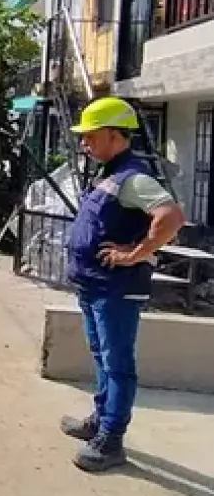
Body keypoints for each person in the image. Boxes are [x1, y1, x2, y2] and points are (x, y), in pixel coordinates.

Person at [63, 96, 184, 473]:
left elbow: (171, 216)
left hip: (116, 288)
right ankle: (100, 421)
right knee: (102, 358)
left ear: (115, 135)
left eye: (91, 136)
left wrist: (135, 253)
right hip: (96, 286)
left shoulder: (133, 177)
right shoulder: (111, 174)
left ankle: (112, 440)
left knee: (118, 365)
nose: (84, 143)